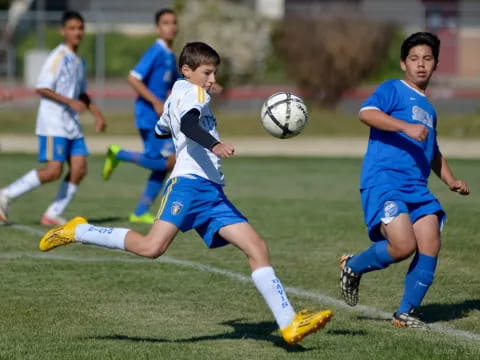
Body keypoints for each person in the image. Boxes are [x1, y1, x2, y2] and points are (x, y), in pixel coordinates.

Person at [39, 41, 333, 345]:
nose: (211, 79)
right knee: (151, 247)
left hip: (212, 192)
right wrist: (214, 144)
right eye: (207, 72)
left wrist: (181, 120)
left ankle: (290, 324)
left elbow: (160, 130)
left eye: (214, 73)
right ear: (186, 71)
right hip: (188, 185)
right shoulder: (192, 93)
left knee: (256, 246)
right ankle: (80, 230)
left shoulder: (179, 94)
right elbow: (189, 124)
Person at [339, 32, 469, 328]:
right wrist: (405, 127)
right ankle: (352, 266)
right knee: (402, 245)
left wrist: (450, 180)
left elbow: (432, 151)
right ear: (403, 64)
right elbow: (366, 112)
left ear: (435, 64)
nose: (421, 65)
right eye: (414, 59)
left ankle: (405, 313)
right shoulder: (393, 89)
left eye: (427, 59)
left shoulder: (430, 111)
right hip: (384, 181)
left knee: (431, 241)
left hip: (417, 188)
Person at [0, 11, 106, 225]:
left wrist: (97, 114)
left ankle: (52, 213)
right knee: (53, 171)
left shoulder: (79, 61)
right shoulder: (58, 57)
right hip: (53, 123)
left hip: (71, 124)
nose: (77, 32)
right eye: (72, 28)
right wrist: (69, 102)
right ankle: (5, 195)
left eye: (80, 28)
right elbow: (42, 87)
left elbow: (81, 93)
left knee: (79, 168)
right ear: (63, 31)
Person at [101, 8, 178, 225]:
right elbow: (133, 78)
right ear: (157, 28)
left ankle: (140, 212)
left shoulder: (170, 55)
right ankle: (118, 154)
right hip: (148, 115)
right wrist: (155, 101)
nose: (171, 27)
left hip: (161, 117)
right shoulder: (155, 51)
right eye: (165, 23)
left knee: (169, 162)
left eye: (173, 23)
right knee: (164, 163)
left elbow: (176, 82)